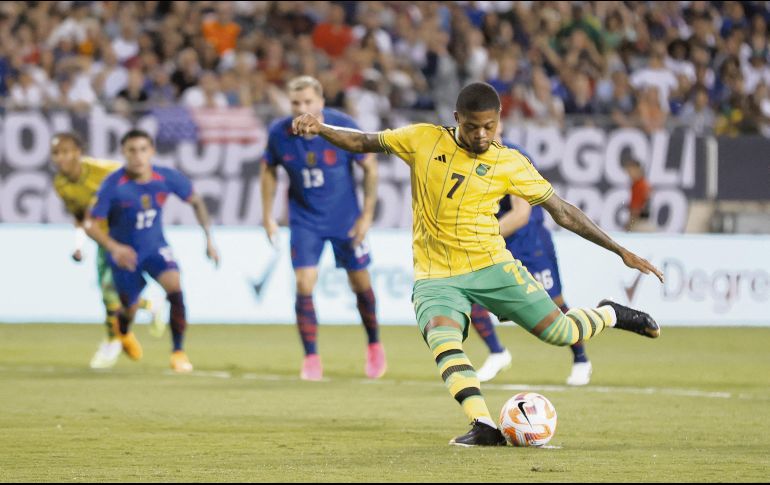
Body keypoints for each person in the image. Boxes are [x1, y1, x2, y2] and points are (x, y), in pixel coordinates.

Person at [292, 82, 664, 447]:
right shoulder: (423, 139)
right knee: (442, 336)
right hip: (436, 275)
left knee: (562, 333)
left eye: (490, 126)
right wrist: (322, 128)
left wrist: (620, 251)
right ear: (457, 119)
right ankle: (483, 424)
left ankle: (611, 313)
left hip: (492, 266)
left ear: (499, 120)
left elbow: (563, 211)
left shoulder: (510, 162)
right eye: (473, 127)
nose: (482, 135)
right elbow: (363, 141)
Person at [261, 75, 386, 381]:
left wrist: (367, 216)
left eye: (307, 102)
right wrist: (267, 214)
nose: (301, 108)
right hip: (305, 221)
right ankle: (312, 358)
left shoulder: (342, 125)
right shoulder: (279, 133)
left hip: (345, 219)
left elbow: (369, 166)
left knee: (360, 283)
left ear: (321, 102)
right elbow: (269, 170)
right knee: (304, 283)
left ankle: (374, 345)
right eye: (295, 103)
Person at [85, 129, 219, 373]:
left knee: (175, 288)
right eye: (131, 150)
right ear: (123, 153)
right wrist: (114, 248)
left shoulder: (166, 177)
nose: (138, 156)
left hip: (155, 247)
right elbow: (90, 224)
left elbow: (196, 201)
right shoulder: (113, 185)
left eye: (143, 149)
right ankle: (123, 331)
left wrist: (209, 239)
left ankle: (178, 352)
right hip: (125, 256)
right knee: (129, 309)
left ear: (152, 151)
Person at [50, 132, 163, 370]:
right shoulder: (61, 184)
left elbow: (139, 181)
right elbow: (81, 216)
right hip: (103, 238)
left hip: (127, 232)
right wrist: (79, 245)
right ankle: (149, 307)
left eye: (65, 151)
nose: (60, 158)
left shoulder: (106, 171)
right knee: (109, 292)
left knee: (111, 289)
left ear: (78, 153)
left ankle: (114, 340)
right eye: (56, 153)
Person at [471, 191, 592, 386]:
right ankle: (497, 352)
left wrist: (478, 239)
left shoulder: (517, 161)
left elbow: (520, 216)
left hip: (530, 243)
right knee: (470, 293)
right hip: (500, 245)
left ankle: (581, 359)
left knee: (555, 304)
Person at [622, 156, 654, 232]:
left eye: (630, 171)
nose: (628, 174)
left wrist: (629, 224)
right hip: (645, 223)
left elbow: (636, 210)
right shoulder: (644, 184)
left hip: (640, 225)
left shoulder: (639, 185)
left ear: (637, 169)